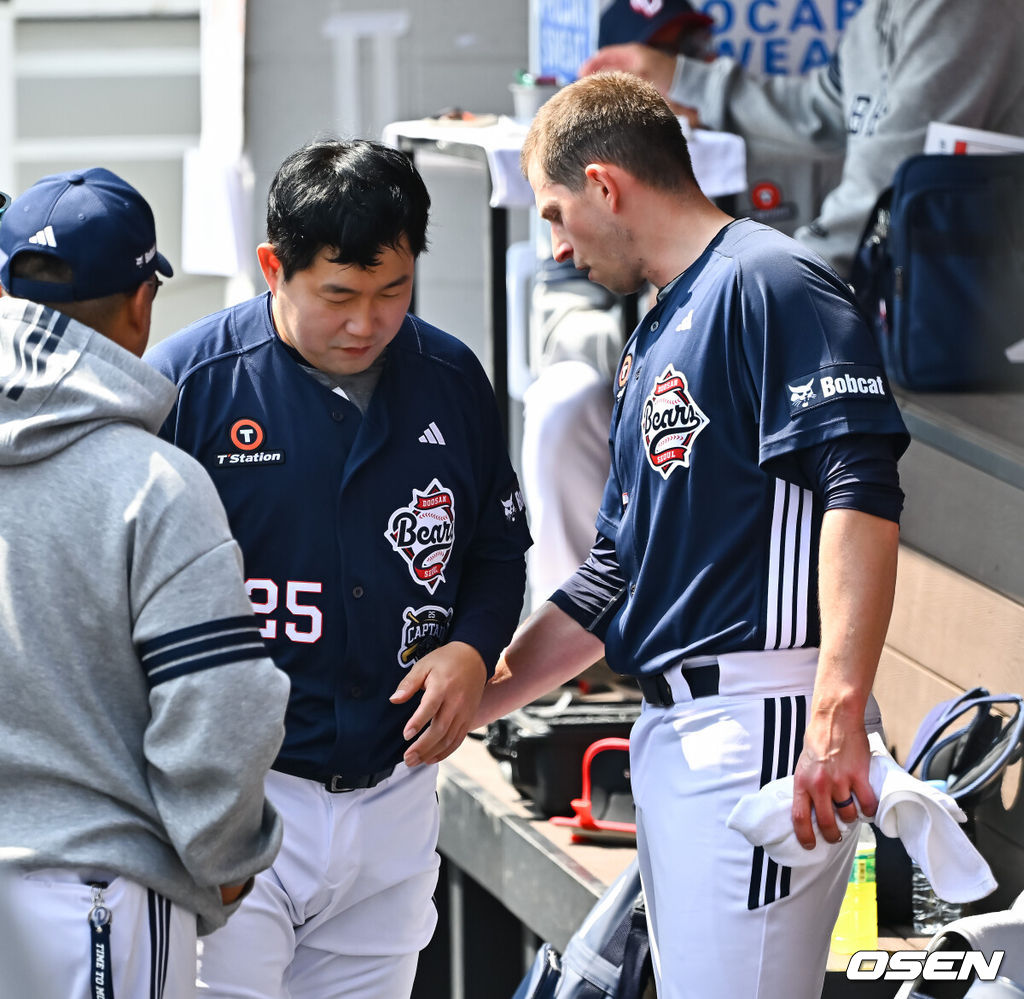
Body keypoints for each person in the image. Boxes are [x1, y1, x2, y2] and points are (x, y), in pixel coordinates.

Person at [476, 72, 911, 999]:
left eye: (555, 211)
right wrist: (478, 698)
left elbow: (862, 492)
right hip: (681, 727)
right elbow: (615, 573)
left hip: (766, 716)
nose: (554, 244)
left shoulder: (773, 280)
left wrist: (839, 709)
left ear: (604, 184)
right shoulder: (660, 323)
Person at [146, 139, 532, 999]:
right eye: (339, 295)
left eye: (393, 291)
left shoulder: (449, 377)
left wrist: (472, 647)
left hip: (394, 794)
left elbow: (498, 553)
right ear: (272, 267)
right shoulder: (188, 387)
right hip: (240, 796)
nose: (366, 323)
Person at [0, 167, 290, 998]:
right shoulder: (157, 484)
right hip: (95, 899)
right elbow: (217, 709)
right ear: (140, 304)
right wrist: (227, 861)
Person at [580, 0, 1024, 279]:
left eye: (691, 46)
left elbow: (894, 175)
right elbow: (819, 111)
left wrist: (780, 278)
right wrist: (683, 78)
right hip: (922, 305)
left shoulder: (959, 9)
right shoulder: (875, 16)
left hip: (976, 329)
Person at [522, 0, 715, 608]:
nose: (677, 75)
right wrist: (662, 339)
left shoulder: (734, 147)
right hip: (636, 382)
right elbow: (557, 325)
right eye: (655, 63)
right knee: (560, 399)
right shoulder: (570, 171)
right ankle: (581, 653)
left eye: (685, 56)